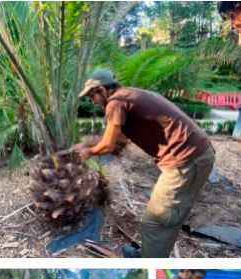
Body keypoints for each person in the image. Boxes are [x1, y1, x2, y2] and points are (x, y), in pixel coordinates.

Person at [71, 70, 214, 258]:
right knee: (168, 218)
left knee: (155, 221)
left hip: (186, 161)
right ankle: (149, 253)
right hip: (195, 156)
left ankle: (149, 261)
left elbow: (108, 145)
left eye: (92, 95)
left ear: (102, 90)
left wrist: (88, 152)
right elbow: (117, 137)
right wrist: (87, 144)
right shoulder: (129, 95)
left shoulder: (115, 103)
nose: (92, 100)